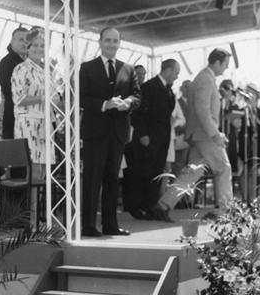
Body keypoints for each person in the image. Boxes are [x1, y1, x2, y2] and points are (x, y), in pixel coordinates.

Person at [150, 48, 233, 221]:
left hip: (200, 135)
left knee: (191, 174)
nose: (226, 68)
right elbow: (203, 111)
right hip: (205, 136)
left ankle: (163, 205)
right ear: (217, 62)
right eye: (225, 64)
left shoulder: (205, 78)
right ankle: (226, 211)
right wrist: (215, 134)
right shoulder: (205, 79)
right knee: (224, 168)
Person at [79, 27, 141, 237]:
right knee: (92, 180)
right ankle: (87, 225)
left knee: (112, 180)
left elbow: (137, 96)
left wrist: (128, 103)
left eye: (115, 41)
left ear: (119, 43)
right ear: (100, 41)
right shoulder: (86, 68)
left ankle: (110, 225)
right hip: (94, 132)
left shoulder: (128, 68)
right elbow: (80, 98)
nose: (111, 44)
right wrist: (105, 104)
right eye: (108, 40)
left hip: (117, 132)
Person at [11, 27, 61, 222]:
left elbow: (53, 97)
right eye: (36, 45)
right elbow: (19, 98)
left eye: (43, 45)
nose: (39, 48)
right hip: (28, 125)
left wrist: (55, 99)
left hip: (45, 125)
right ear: (28, 46)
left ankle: (39, 217)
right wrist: (45, 97)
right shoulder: (20, 69)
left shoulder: (46, 71)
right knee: (33, 173)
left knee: (42, 173)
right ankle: (30, 220)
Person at [124, 58, 180, 220]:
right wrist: (142, 134)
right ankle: (137, 206)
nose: (176, 76)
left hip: (161, 140)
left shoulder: (168, 90)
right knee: (143, 172)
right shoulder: (148, 87)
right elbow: (137, 113)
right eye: (176, 72)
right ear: (168, 70)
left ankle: (150, 205)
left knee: (156, 172)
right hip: (147, 139)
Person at [0, 26, 29, 139]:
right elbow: (9, 90)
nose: (24, 43)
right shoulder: (7, 62)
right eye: (21, 40)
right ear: (12, 41)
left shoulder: (29, 63)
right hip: (15, 119)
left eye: (27, 41)